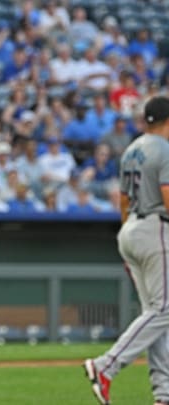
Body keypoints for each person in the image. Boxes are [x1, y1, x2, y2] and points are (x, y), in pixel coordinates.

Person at [84, 95, 169, 405]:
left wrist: (126, 237)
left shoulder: (132, 149)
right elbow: (167, 195)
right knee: (164, 310)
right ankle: (106, 365)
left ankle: (163, 394)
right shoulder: (164, 149)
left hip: (130, 227)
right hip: (155, 227)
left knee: (155, 314)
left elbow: (122, 200)